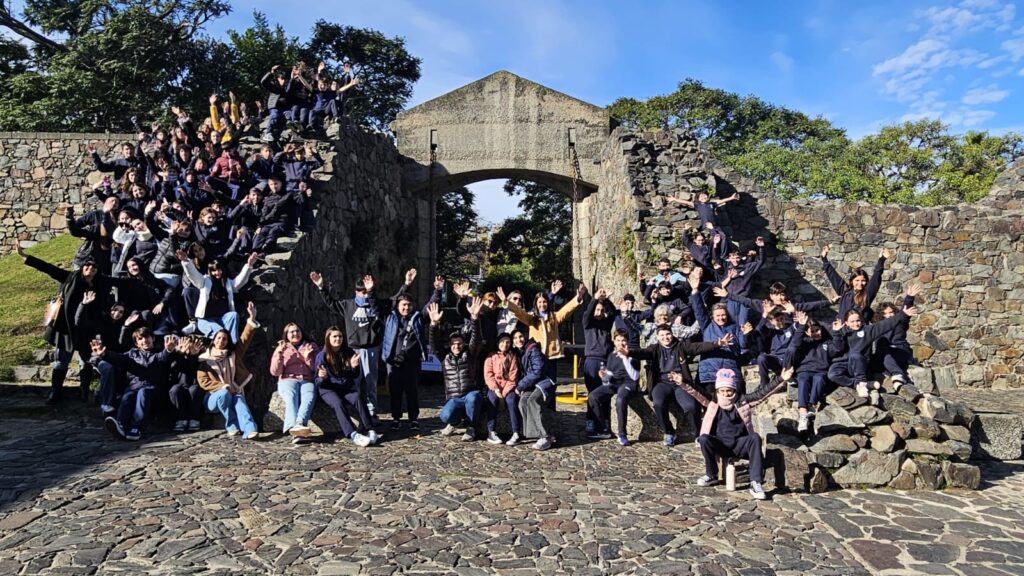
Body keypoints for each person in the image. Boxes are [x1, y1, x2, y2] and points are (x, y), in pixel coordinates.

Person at [16, 242, 119, 404]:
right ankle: (55, 392)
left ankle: (84, 391)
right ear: (82, 267)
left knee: (85, 362)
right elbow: (48, 268)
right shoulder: (70, 278)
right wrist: (25, 256)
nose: (90, 269)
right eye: (87, 266)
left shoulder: (100, 284)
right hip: (66, 328)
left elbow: (117, 283)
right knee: (60, 361)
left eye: (93, 268)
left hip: (87, 329)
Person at [677, 366, 794, 501]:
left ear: (734, 389)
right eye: (722, 391)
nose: (726, 394)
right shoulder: (712, 401)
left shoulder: (743, 400)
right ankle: (712, 474)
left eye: (729, 390)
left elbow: (763, 393)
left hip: (739, 444)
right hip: (720, 444)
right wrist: (683, 382)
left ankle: (755, 482)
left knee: (755, 438)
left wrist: (781, 379)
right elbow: (696, 392)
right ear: (717, 390)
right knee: (703, 439)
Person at [629, 324, 731, 446]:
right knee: (658, 404)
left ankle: (698, 434)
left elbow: (698, 347)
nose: (666, 337)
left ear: (672, 334)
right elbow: (642, 353)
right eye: (662, 335)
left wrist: (717, 344)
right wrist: (628, 352)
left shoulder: (680, 346)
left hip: (681, 383)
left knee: (691, 406)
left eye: (668, 334)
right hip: (662, 383)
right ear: (657, 337)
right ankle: (669, 432)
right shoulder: (654, 349)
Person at [310, 271, 390, 423]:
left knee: (370, 381)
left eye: (366, 292)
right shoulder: (348, 305)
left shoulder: (375, 304)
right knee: (354, 381)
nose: (364, 295)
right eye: (361, 292)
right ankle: (358, 412)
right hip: (353, 349)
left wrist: (406, 284)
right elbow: (331, 303)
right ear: (356, 292)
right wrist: (322, 287)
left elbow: (392, 301)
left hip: (371, 348)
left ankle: (372, 412)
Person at [91, 329, 179, 441]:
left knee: (143, 393)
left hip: (155, 389)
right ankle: (121, 425)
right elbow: (119, 358)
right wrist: (104, 354)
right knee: (128, 396)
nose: (145, 340)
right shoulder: (132, 354)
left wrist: (169, 350)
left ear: (153, 338)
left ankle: (137, 427)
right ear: (137, 343)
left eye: (147, 337)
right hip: (134, 387)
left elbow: (164, 356)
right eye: (140, 339)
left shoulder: (159, 353)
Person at [197, 301, 262, 440]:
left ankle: (250, 429)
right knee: (224, 394)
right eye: (219, 338)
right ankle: (231, 425)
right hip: (213, 398)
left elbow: (245, 339)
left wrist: (252, 318)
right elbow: (203, 381)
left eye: (225, 339)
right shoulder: (204, 359)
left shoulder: (232, 355)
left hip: (233, 392)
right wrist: (223, 386)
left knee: (239, 399)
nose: (221, 341)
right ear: (213, 340)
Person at [499, 279, 583, 384]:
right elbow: (520, 312)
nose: (542, 304)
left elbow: (566, 311)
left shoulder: (554, 317)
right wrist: (507, 303)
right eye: (539, 302)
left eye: (544, 302)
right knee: (538, 383)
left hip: (551, 356)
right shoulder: (532, 318)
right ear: (536, 304)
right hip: (537, 356)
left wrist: (577, 299)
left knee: (551, 384)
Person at [828, 301, 919, 398]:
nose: (856, 324)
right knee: (832, 375)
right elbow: (837, 349)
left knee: (855, 354)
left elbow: (885, 324)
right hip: (844, 364)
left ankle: (862, 384)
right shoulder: (840, 332)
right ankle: (859, 383)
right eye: (852, 321)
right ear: (846, 323)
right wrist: (836, 333)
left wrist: (902, 314)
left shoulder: (868, 331)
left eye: (858, 320)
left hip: (860, 365)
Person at [428, 298, 485, 442]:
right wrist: (434, 324)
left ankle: (471, 427)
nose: (456, 346)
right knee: (444, 416)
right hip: (454, 398)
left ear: (463, 344)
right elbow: (434, 344)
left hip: (470, 394)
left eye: (459, 343)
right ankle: (455, 423)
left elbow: (476, 339)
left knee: (474, 397)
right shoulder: (444, 357)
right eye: (453, 344)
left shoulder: (470, 354)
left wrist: (475, 318)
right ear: (449, 345)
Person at [381, 269, 430, 431]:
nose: (406, 308)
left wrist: (437, 290)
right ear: (398, 306)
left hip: (412, 362)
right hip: (394, 362)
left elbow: (430, 307)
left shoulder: (417, 318)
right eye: (403, 305)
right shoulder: (390, 317)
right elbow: (386, 302)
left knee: (412, 392)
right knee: (395, 392)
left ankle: (413, 418)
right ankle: (396, 418)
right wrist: (406, 285)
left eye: (409, 305)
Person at [313, 327, 379, 447]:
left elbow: (355, 375)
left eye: (340, 336)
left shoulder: (349, 352)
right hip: (328, 389)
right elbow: (317, 382)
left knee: (358, 397)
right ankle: (353, 434)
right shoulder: (322, 356)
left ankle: (370, 429)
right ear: (328, 338)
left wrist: (353, 367)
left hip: (345, 387)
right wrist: (322, 377)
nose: (338, 339)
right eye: (334, 336)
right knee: (338, 403)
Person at [688, 268, 751, 390]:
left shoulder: (734, 327)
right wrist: (695, 291)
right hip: (710, 371)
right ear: (713, 316)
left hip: (729, 369)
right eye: (718, 315)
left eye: (723, 315)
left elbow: (742, 346)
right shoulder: (707, 325)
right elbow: (699, 310)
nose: (721, 318)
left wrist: (745, 334)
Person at [179, 251, 259, 342]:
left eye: (219, 269)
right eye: (214, 270)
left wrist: (249, 265)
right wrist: (186, 261)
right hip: (206, 320)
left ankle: (234, 345)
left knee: (233, 315)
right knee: (220, 333)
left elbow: (240, 282)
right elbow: (193, 275)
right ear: (210, 271)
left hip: (223, 319)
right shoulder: (204, 281)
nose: (217, 272)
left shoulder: (227, 282)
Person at [786, 311, 840, 432]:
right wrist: (801, 327)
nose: (816, 333)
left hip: (821, 371)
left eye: (818, 330)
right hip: (804, 370)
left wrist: (836, 333)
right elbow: (794, 345)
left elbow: (838, 349)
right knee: (803, 380)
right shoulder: (804, 342)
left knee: (819, 379)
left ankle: (812, 405)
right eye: (812, 331)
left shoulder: (827, 343)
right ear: (807, 332)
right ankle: (803, 413)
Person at [269, 322, 320, 444]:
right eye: (291, 332)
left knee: (309, 396)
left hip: (306, 379)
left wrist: (307, 358)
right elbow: (275, 372)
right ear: (286, 335)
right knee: (291, 396)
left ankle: (299, 424)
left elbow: (317, 369)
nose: (295, 334)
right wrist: (280, 354)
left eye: (297, 331)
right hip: (288, 379)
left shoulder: (311, 346)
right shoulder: (282, 347)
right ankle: (294, 427)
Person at [587, 331, 641, 445]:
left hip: (628, 383)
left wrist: (625, 358)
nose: (620, 343)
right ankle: (603, 427)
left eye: (623, 340)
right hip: (614, 383)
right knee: (593, 396)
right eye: (618, 340)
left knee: (620, 400)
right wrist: (604, 374)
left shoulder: (632, 354)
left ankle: (622, 434)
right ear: (614, 341)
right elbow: (611, 373)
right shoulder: (611, 355)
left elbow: (635, 376)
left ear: (627, 342)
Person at [581, 289, 619, 437]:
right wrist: (594, 299)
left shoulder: (606, 323)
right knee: (592, 393)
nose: (599, 312)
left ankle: (605, 422)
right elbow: (587, 314)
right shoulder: (588, 324)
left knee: (604, 394)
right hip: (591, 362)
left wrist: (606, 300)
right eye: (597, 309)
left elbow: (614, 312)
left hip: (605, 362)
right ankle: (591, 421)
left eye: (601, 310)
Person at [820, 245, 890, 324]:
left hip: (860, 330)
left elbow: (876, 276)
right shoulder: (844, 291)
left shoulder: (867, 293)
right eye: (857, 280)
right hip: (843, 329)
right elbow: (833, 276)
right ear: (851, 281)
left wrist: (882, 259)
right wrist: (824, 259)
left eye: (863, 280)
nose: (860, 283)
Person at [872, 282, 921, 391]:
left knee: (886, 354)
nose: (889, 315)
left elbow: (904, 314)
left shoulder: (900, 322)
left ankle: (898, 376)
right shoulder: (878, 326)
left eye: (891, 312)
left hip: (899, 351)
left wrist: (909, 297)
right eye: (886, 313)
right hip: (883, 354)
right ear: (881, 315)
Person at [514, 332, 558, 450]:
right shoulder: (520, 352)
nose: (519, 340)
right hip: (533, 384)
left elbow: (537, 371)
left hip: (545, 382)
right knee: (523, 402)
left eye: (521, 336)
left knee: (534, 401)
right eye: (515, 338)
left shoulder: (533, 349)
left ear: (526, 337)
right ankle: (536, 434)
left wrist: (520, 386)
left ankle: (545, 436)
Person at [484, 333, 521, 446]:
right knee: (492, 400)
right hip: (494, 388)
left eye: (508, 342)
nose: (505, 344)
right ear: (497, 342)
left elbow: (512, 377)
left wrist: (504, 394)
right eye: (502, 341)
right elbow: (488, 375)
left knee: (511, 401)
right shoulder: (491, 356)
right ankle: (491, 431)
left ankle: (516, 432)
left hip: (508, 388)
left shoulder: (512, 356)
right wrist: (496, 390)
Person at [666, 189, 739, 228]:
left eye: (705, 196)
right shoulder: (698, 205)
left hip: (715, 225)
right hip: (706, 225)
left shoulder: (712, 204)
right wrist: (674, 199)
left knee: (722, 237)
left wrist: (731, 198)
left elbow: (721, 201)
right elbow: (686, 202)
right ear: (699, 199)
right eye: (701, 197)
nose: (704, 197)